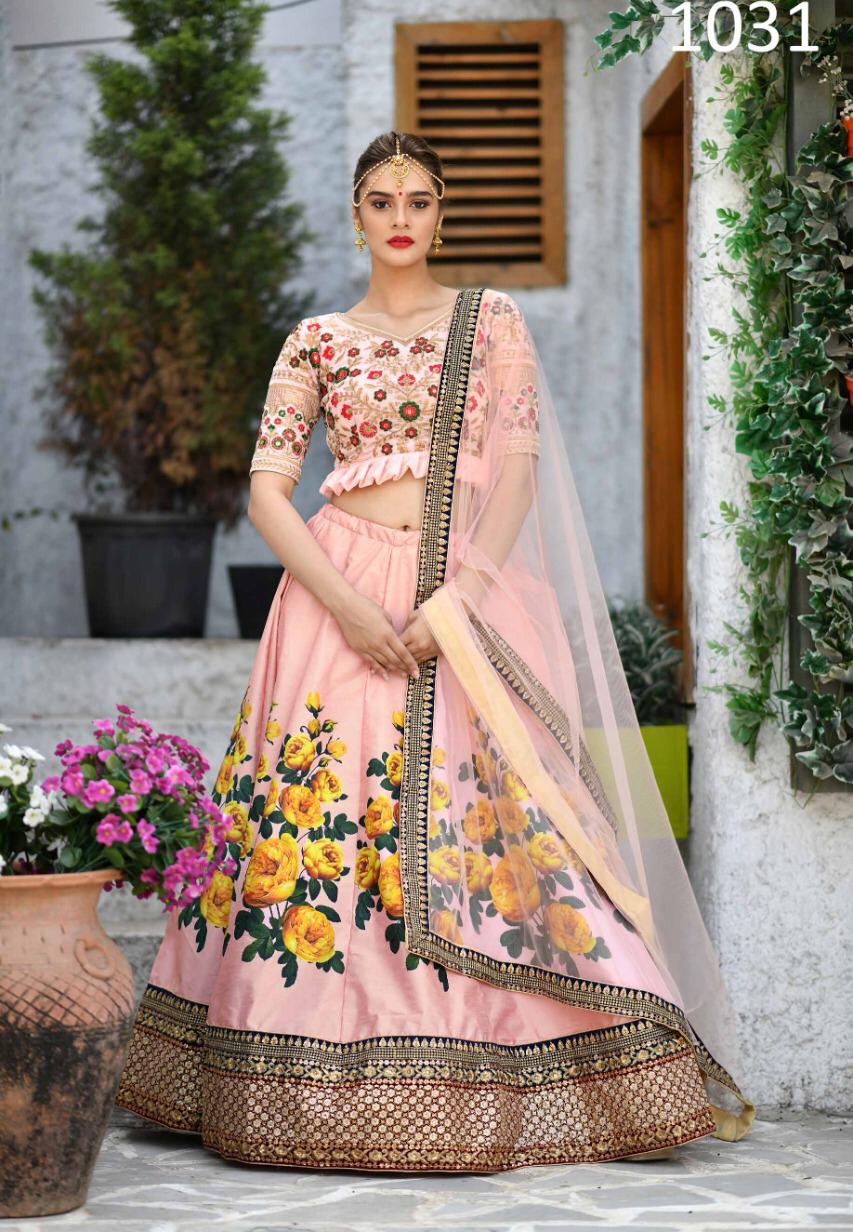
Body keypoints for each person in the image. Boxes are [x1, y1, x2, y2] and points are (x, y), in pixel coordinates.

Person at [115, 131, 755, 1172]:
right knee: (318, 815)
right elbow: (267, 492)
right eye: (382, 199)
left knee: (496, 816)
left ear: (441, 214)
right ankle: (290, 1081)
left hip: (464, 595)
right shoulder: (316, 339)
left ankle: (548, 1071)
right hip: (333, 599)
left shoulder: (489, 321)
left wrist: (460, 595)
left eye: (418, 199)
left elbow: (517, 475)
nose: (401, 216)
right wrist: (346, 606)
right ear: (356, 215)